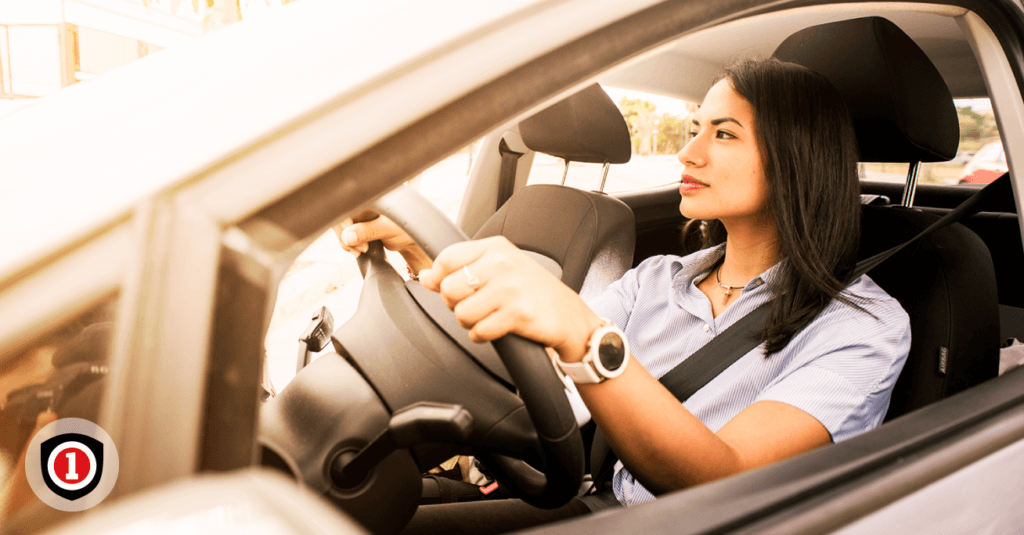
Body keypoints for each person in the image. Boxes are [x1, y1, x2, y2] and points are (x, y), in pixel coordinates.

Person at [334, 57, 910, 529]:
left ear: (796, 161)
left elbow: (725, 478)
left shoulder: (863, 326)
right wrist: (423, 257)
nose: (689, 153)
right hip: (596, 505)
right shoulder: (657, 278)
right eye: (695, 129)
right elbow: (530, 372)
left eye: (724, 133)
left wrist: (584, 335)